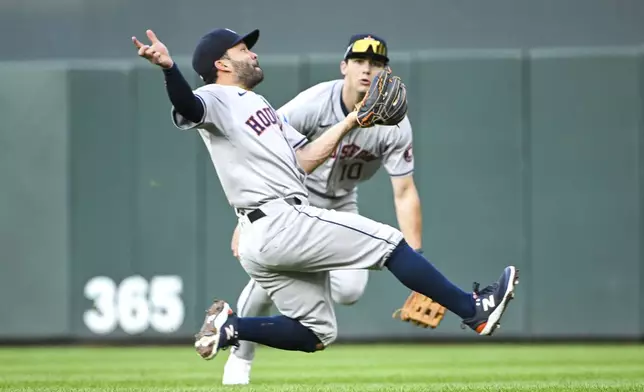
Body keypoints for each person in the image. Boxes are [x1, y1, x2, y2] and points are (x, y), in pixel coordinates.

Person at [131, 27, 519, 371]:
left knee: (317, 333)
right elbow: (188, 106)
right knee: (390, 243)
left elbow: (306, 160)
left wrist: (353, 121)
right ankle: (474, 311)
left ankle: (230, 328)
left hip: (266, 233)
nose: (252, 53)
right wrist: (168, 68)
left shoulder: (263, 107)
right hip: (282, 219)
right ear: (221, 63)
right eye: (243, 49)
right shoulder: (214, 97)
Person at [222, 33, 424, 385]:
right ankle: (241, 357)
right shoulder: (315, 102)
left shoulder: (394, 124)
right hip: (290, 199)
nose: (367, 69)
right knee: (266, 284)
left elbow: (404, 192)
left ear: (386, 72)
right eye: (359, 61)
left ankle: (297, 279)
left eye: (376, 63)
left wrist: (419, 259)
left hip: (344, 201)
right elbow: (261, 152)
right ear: (344, 66)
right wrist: (250, 216)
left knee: (350, 291)